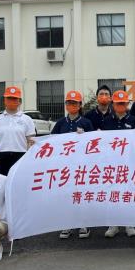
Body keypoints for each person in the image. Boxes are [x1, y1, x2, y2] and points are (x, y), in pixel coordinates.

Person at [52, 90, 94, 239]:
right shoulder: (60, 123)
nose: (72, 105)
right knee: (66, 194)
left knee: (81, 193)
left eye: (75, 103)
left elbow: (94, 143)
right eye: (69, 103)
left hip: (82, 165)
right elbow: (52, 142)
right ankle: (67, 223)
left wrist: (84, 136)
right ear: (65, 105)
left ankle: (83, 223)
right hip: (65, 165)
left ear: (80, 105)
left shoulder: (86, 123)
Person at [103, 90, 135, 239]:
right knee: (113, 193)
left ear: (127, 104)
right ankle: (113, 225)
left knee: (128, 193)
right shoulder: (106, 121)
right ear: (113, 104)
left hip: (128, 162)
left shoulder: (134, 120)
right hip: (111, 163)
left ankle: (129, 224)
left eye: (123, 103)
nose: (120, 106)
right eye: (118, 103)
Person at [0, 86, 35, 176]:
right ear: (4, 100)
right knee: (1, 182)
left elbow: (31, 141)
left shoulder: (27, 119)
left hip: (20, 156)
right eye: (9, 98)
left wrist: (28, 158)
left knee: (18, 181)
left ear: (20, 102)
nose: (11, 101)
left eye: (14, 99)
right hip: (0, 156)